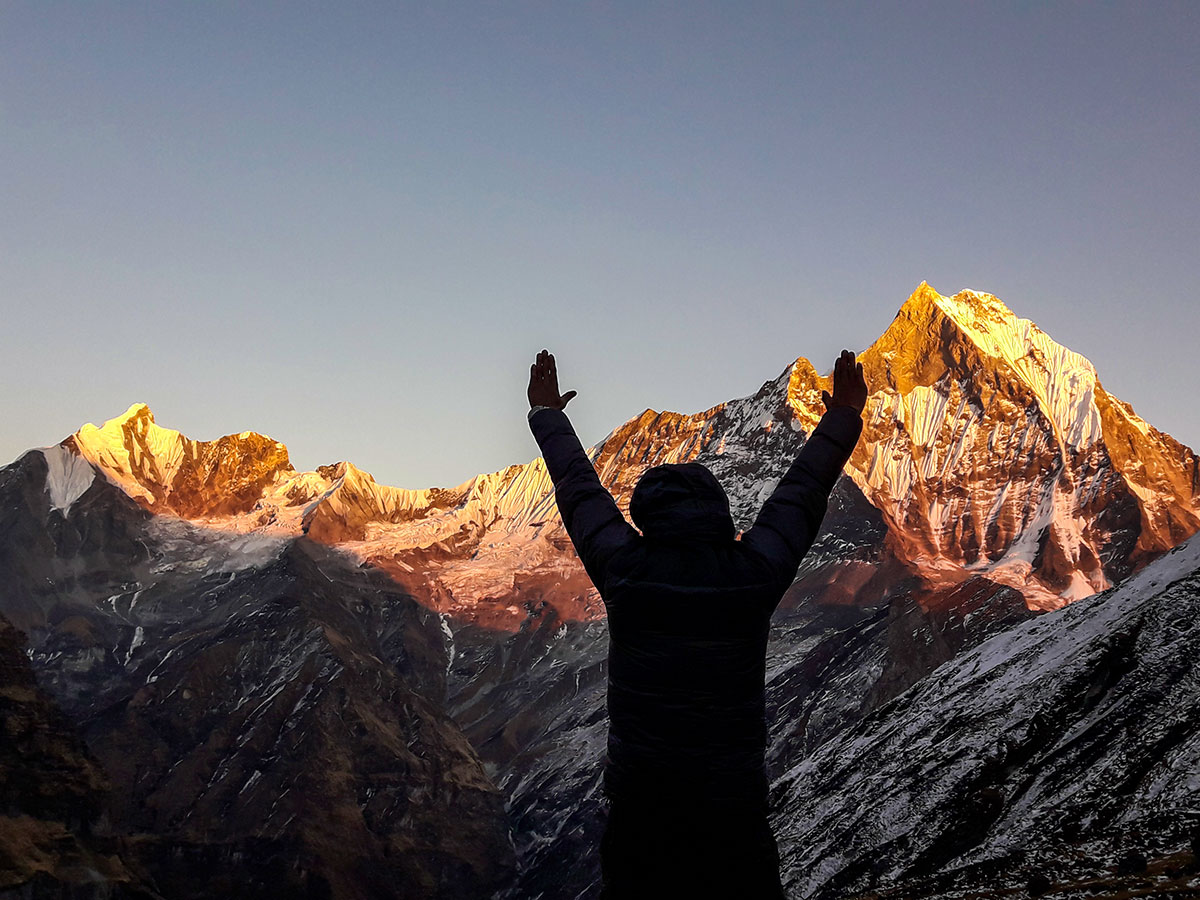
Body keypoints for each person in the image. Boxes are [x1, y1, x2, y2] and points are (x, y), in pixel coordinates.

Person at [526, 348, 867, 899]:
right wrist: (844, 416)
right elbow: (802, 494)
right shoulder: (752, 573)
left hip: (643, 810)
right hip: (733, 812)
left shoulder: (625, 570)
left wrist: (547, 414)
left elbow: (579, 491)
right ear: (721, 513)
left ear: (645, 516)